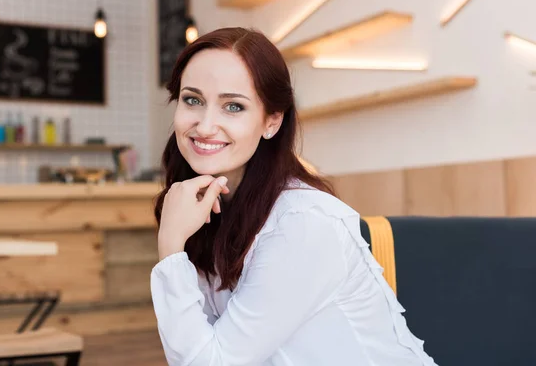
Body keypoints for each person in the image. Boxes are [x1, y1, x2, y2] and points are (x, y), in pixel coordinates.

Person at [150, 27, 438, 366]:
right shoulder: (209, 206)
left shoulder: (302, 223)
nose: (205, 125)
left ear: (271, 121)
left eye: (233, 106)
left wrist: (170, 244)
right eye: (193, 100)